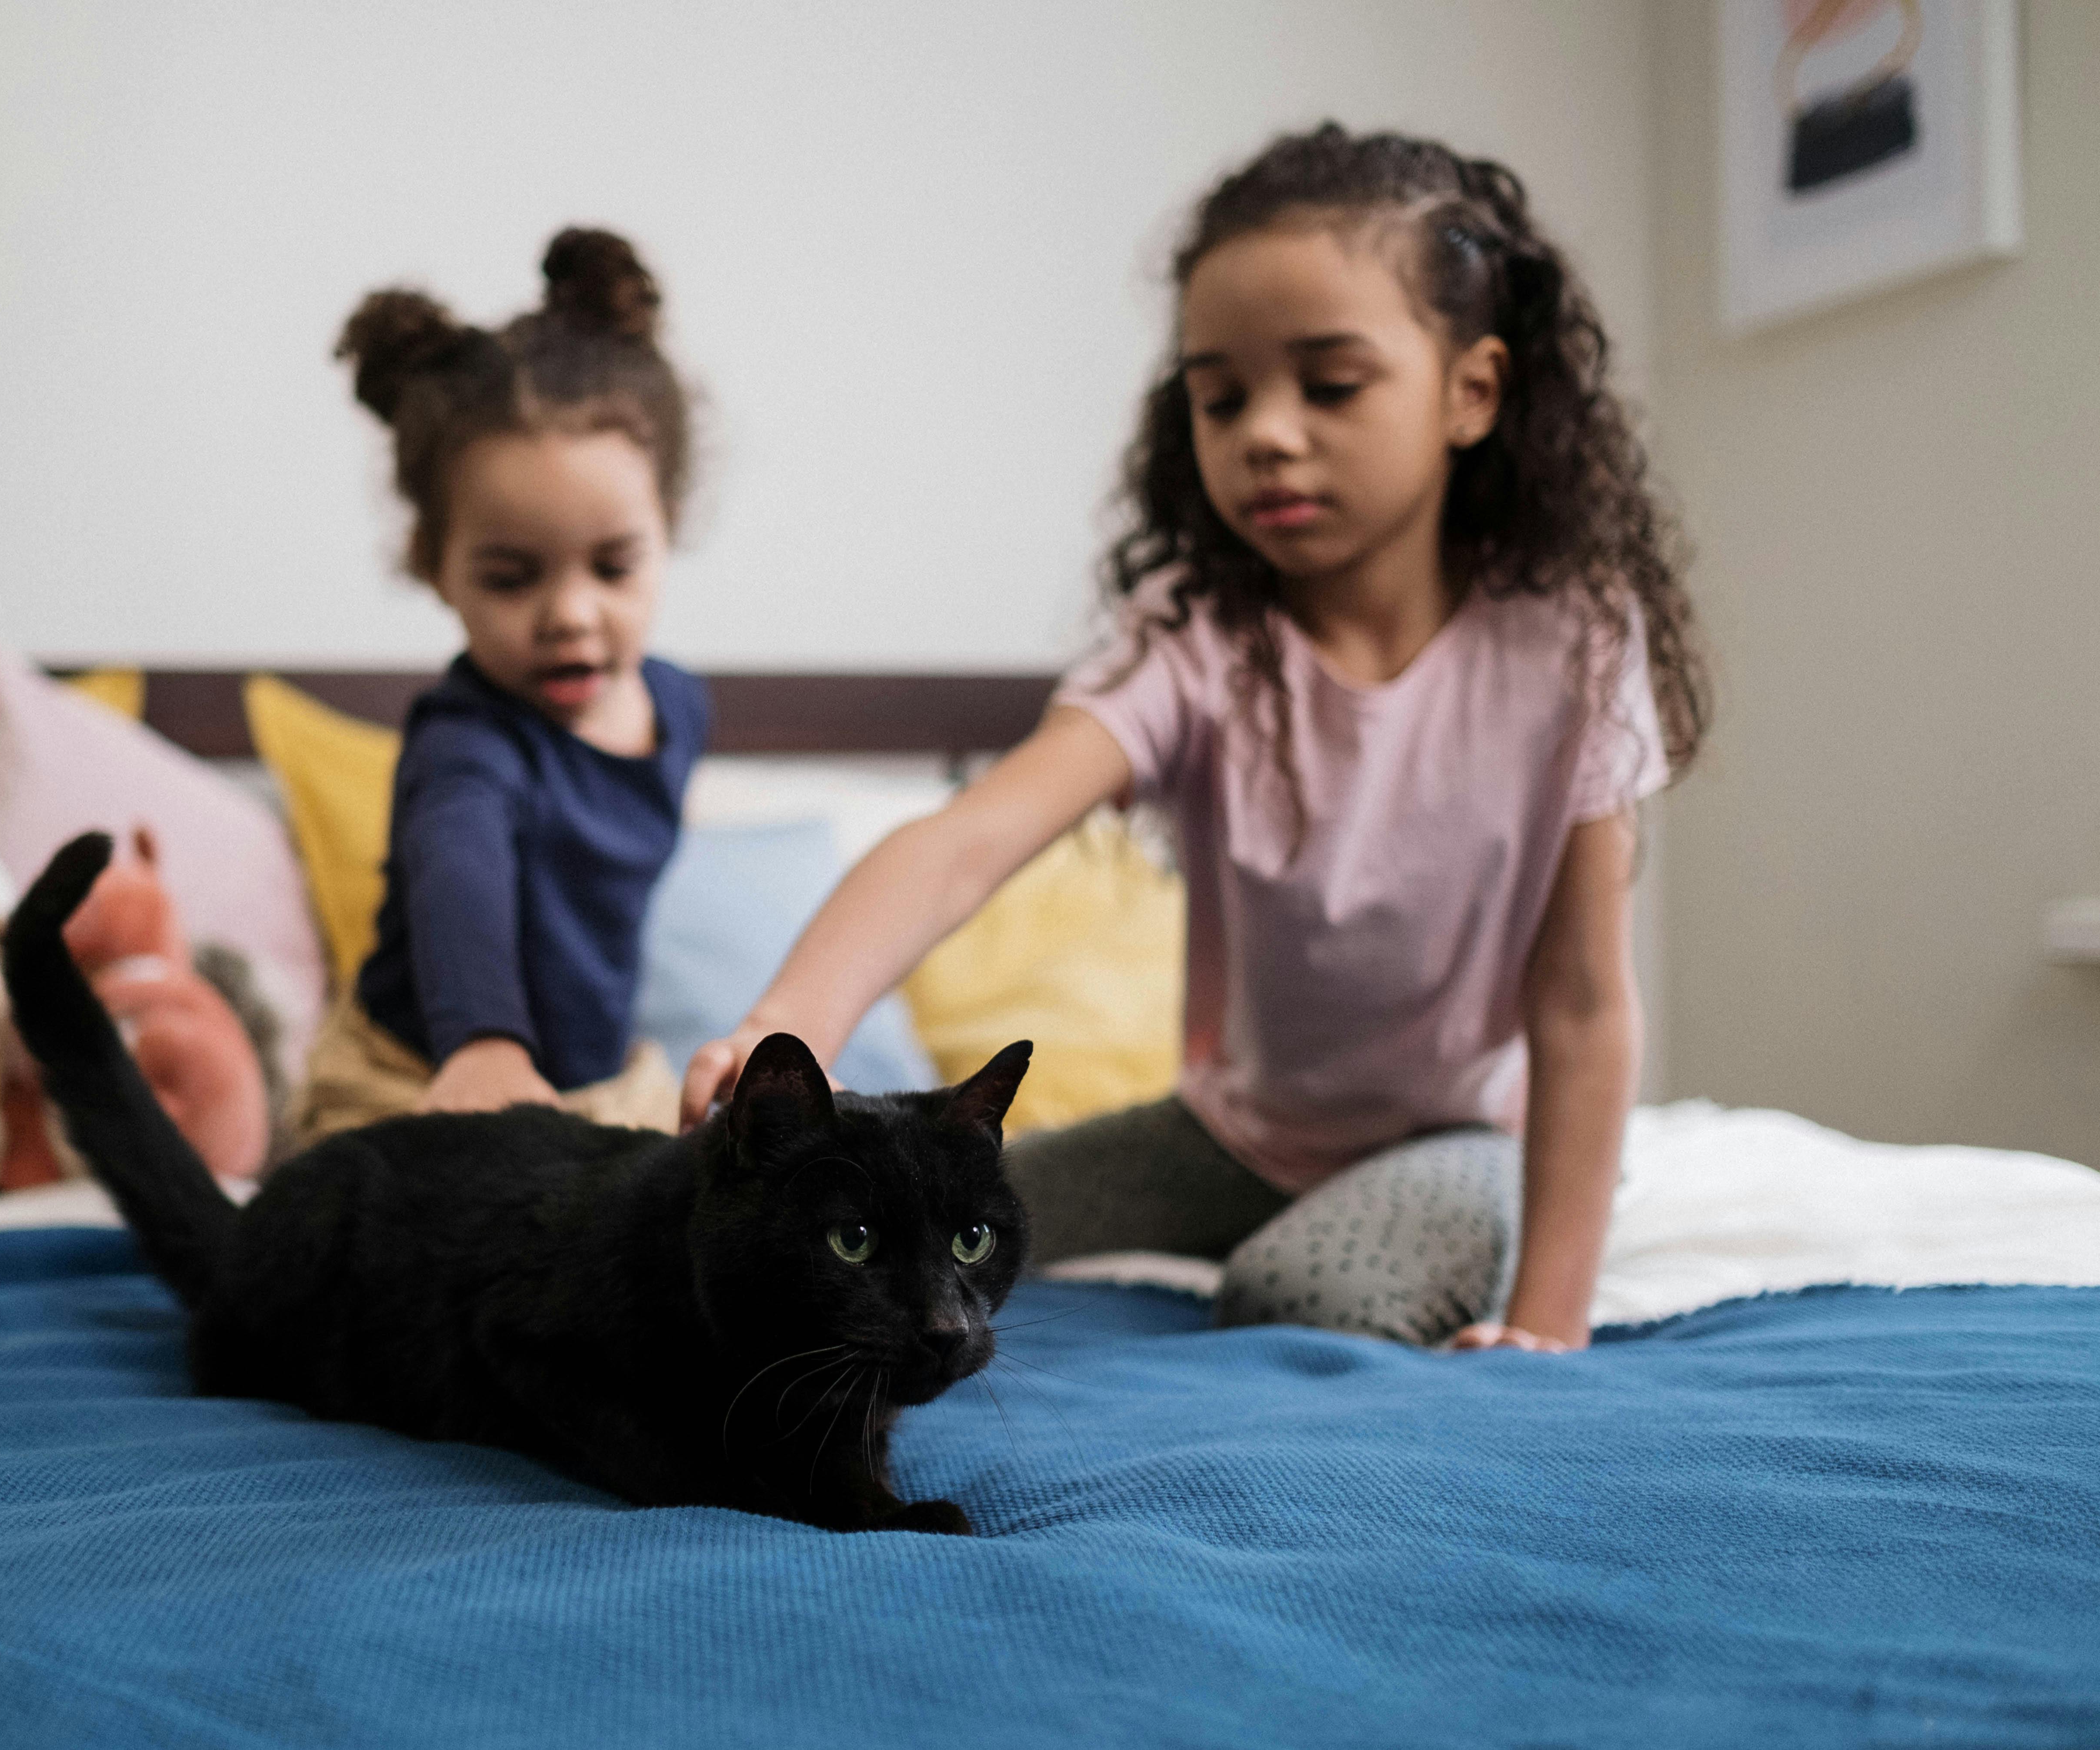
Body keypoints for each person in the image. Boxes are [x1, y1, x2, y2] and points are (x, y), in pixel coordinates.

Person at [683, 125, 1708, 1352]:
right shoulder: (1196, 637)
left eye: (1328, 385)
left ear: (1471, 391)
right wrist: (779, 1022)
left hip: (1454, 1138)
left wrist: (1548, 1321)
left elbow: (1586, 1005)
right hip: (1226, 1135)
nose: (1265, 431)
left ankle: (1410, 1239)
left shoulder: (1574, 639)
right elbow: (968, 842)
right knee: (892, 1218)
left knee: (1305, 1297)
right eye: (1221, 396)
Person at [296, 228, 706, 1138]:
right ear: (434, 565)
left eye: (612, 567)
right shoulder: (467, 746)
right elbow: (460, 873)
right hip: (419, 1073)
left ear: (665, 532)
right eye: (513, 577)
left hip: (595, 1082)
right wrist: (482, 1042)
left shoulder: (679, 706)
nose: (570, 613)